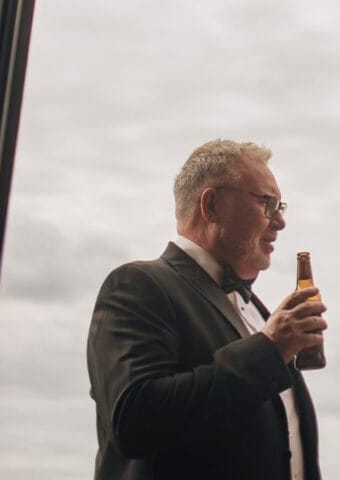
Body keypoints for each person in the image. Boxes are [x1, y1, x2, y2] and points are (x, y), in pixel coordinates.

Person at [87, 139, 326, 480]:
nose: (280, 222)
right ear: (211, 206)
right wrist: (270, 349)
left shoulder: (258, 310)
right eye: (267, 203)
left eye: (281, 206)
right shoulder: (138, 284)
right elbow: (135, 420)